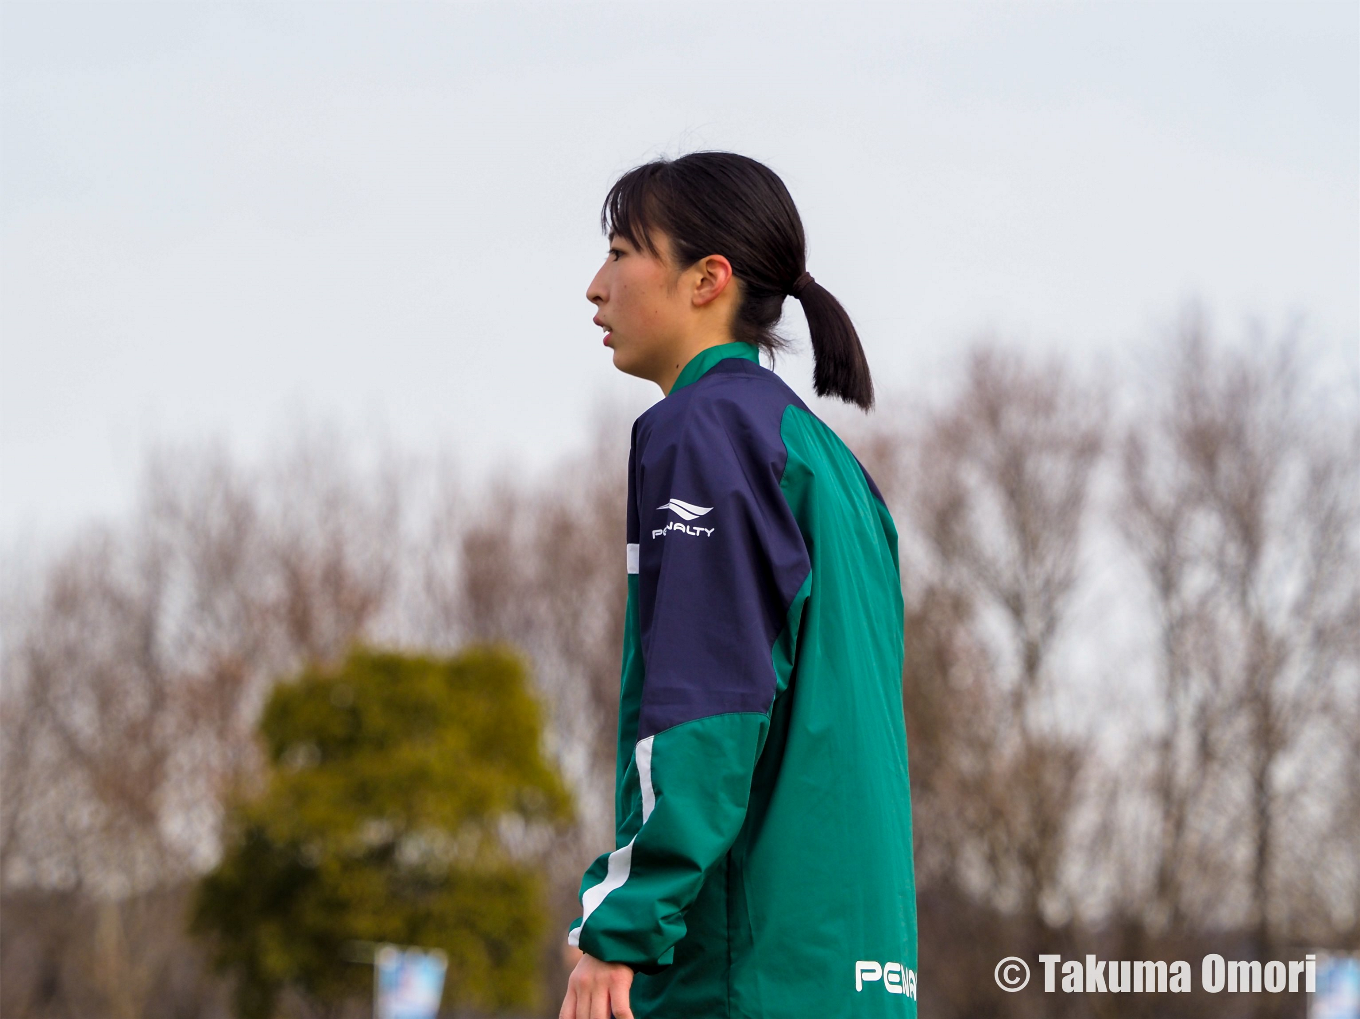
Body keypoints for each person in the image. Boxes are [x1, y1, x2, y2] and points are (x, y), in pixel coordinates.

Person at [559, 151, 917, 1019]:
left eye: (619, 251)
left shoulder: (705, 432)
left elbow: (708, 710)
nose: (593, 287)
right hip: (859, 972)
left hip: (745, 976)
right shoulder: (832, 464)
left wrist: (623, 926)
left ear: (706, 278)